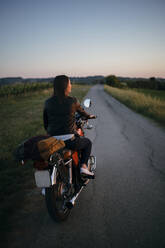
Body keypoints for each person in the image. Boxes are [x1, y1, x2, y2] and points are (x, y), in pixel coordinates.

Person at [43, 75, 95, 177]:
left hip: (53, 141)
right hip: (69, 141)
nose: (71, 85)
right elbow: (83, 112)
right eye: (70, 83)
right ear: (65, 86)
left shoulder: (47, 102)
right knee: (88, 143)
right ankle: (83, 167)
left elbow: (46, 123)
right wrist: (90, 116)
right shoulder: (73, 101)